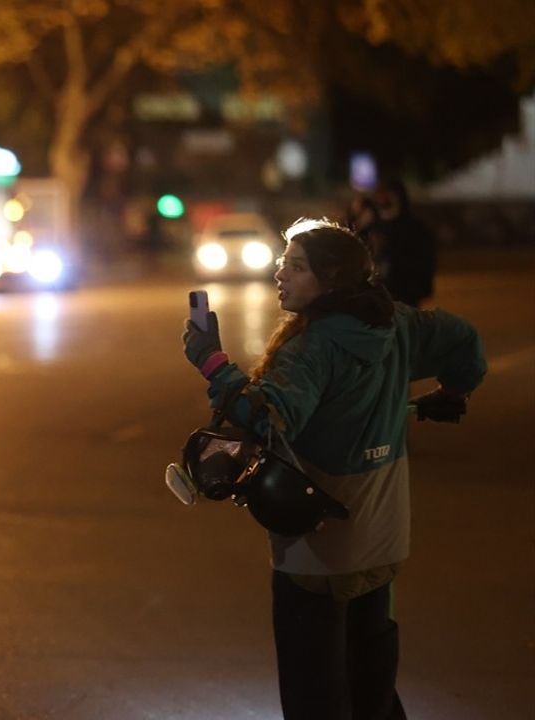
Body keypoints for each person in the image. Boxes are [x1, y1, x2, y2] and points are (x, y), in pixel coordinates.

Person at [181, 218, 486, 719]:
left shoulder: (312, 348)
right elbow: (466, 344)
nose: (280, 273)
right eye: (283, 262)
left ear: (332, 280)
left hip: (319, 546)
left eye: (296, 266)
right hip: (385, 537)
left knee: (315, 691)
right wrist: (452, 394)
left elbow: (264, 415)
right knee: (372, 679)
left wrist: (210, 361)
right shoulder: (397, 323)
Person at [371, 179, 437, 307]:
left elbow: (425, 263)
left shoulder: (415, 229)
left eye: (387, 195)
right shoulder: (373, 228)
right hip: (378, 297)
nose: (382, 200)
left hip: (405, 295)